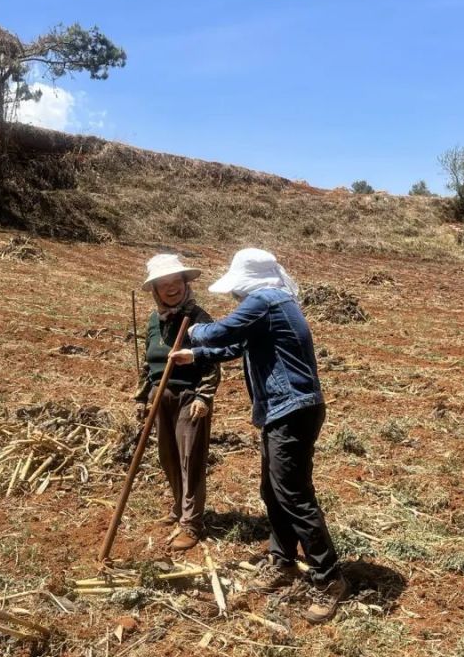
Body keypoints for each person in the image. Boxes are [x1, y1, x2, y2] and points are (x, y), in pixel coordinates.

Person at [168, 248, 348, 624]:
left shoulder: (267, 300)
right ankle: (281, 560)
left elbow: (220, 330)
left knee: (294, 495)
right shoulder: (271, 305)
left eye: (237, 290)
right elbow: (234, 345)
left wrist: (194, 326)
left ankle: (329, 578)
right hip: (283, 411)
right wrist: (196, 354)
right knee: (273, 490)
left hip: (293, 410)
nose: (235, 297)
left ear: (249, 281)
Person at [135, 253, 221, 551]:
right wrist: (142, 396)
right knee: (168, 457)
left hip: (189, 396)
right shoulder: (153, 321)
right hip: (161, 396)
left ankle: (192, 522)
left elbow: (212, 362)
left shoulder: (199, 319)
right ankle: (178, 506)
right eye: (163, 284)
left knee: (190, 460)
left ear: (185, 284)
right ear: (156, 290)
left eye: (176, 282)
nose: (171, 288)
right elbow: (148, 363)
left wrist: (204, 395)